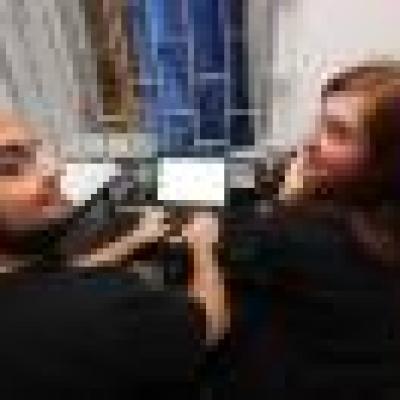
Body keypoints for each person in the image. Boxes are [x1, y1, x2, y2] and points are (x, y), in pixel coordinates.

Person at [218, 60, 400, 399]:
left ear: (385, 159)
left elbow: (235, 257)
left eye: (338, 133)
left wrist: (286, 203)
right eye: (320, 123)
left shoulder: (304, 235)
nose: (311, 142)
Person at [0, 111, 203, 396]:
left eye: (37, 151)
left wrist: (134, 239)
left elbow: (51, 278)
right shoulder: (102, 309)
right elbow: (209, 322)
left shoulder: (25, 281)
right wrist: (203, 246)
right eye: (10, 166)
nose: (56, 168)